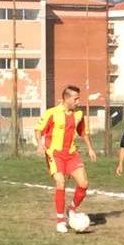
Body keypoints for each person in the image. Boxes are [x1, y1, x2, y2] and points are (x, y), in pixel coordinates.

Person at [35, 85, 97, 233]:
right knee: (60, 182)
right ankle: (60, 221)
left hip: (72, 154)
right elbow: (38, 130)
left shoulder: (78, 115)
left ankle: (72, 209)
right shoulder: (52, 113)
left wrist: (90, 148)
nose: (78, 101)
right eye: (76, 99)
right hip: (54, 154)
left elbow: (83, 132)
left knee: (84, 183)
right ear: (66, 98)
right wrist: (39, 144)